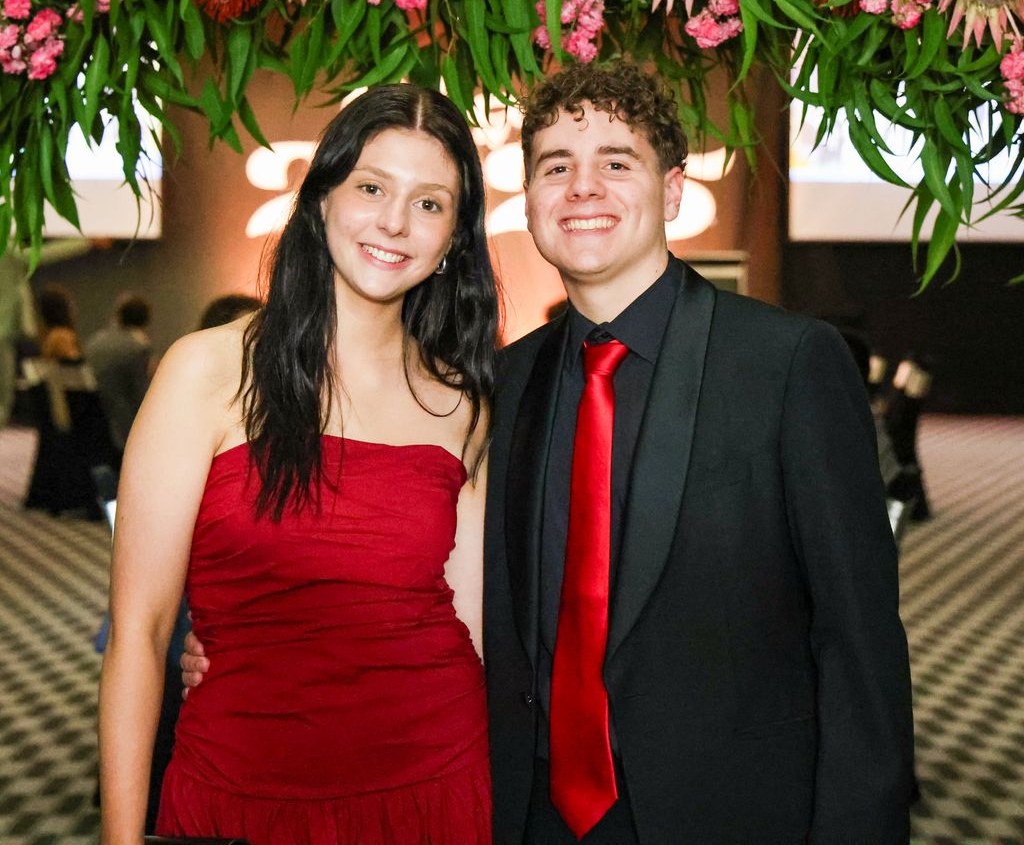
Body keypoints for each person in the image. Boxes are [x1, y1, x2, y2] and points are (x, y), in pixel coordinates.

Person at [185, 62, 915, 844]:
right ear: (528, 199)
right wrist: (252, 648)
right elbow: (424, 584)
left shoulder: (787, 364)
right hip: (530, 812)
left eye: (616, 163)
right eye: (556, 167)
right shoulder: (497, 386)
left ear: (672, 190)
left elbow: (860, 645)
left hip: (729, 815)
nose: (583, 188)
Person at [100, 83, 499, 845]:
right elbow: (139, 635)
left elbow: (476, 631)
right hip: (238, 792)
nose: (394, 222)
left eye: (429, 204)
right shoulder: (206, 371)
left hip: (436, 787)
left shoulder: (463, 403)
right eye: (372, 188)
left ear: (453, 237)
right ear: (320, 198)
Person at [85, 294, 154, 453]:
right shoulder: (137, 348)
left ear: (119, 316)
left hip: (96, 427)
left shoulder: (94, 342)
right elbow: (142, 396)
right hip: (126, 429)